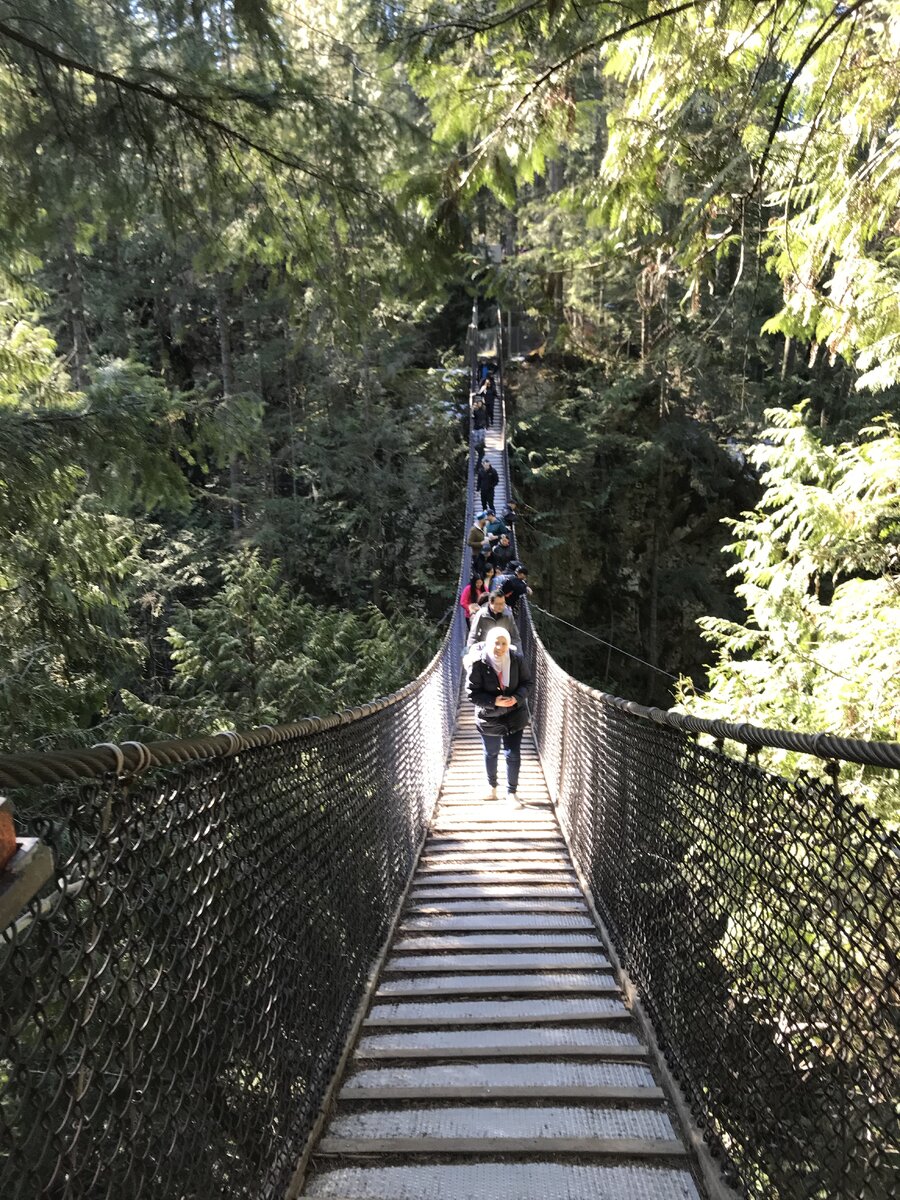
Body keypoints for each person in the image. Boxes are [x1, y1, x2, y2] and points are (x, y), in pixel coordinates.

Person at [466, 625, 532, 802]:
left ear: (508, 644)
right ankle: (492, 788)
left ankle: (512, 793)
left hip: (514, 715)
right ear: (489, 643)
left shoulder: (517, 660)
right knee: (491, 752)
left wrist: (516, 698)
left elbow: (527, 683)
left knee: (513, 754)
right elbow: (472, 693)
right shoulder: (479, 664)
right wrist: (493, 701)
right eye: (496, 643)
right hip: (488, 716)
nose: (499, 647)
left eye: (504, 643)